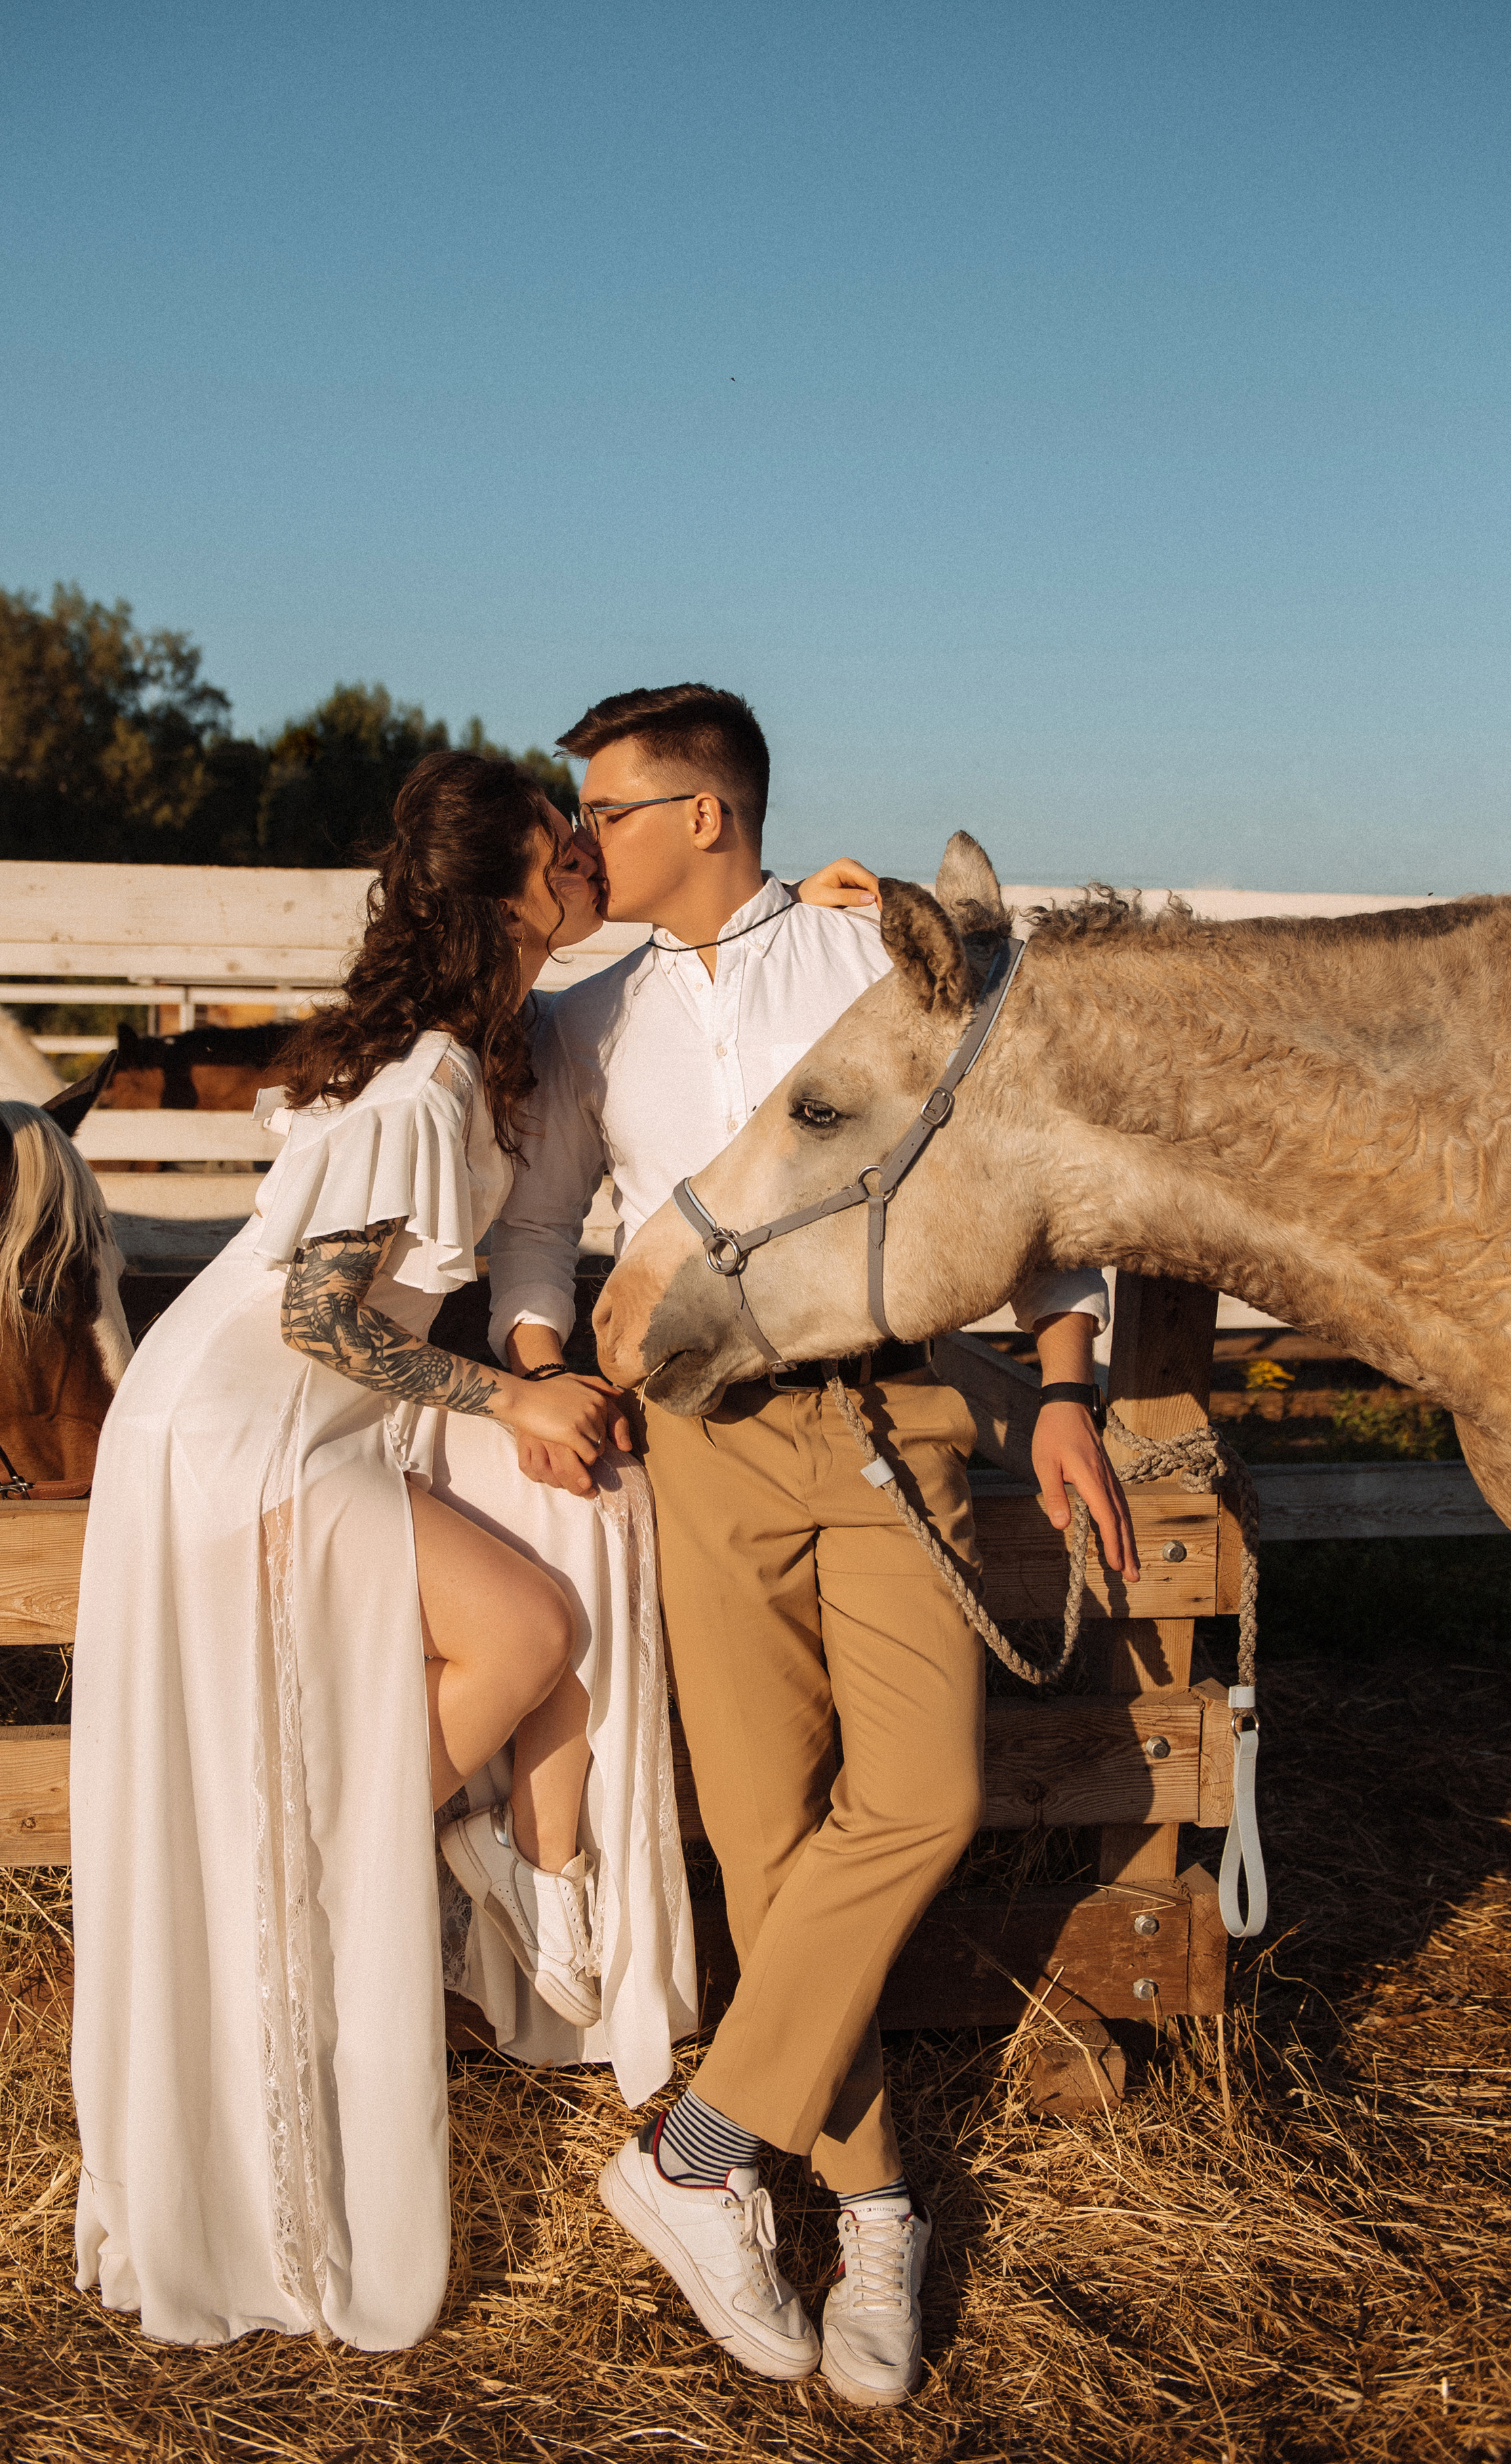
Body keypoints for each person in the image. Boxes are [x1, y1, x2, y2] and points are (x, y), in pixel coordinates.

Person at [486, 684, 1140, 2408]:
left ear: (708, 811)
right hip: (687, 1444)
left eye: (606, 811)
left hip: (886, 1417)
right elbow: (544, 1234)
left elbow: (1025, 1189)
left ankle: (694, 2148)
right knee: (764, 1843)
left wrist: (1061, 1390)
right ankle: (869, 2206)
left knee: (920, 1795)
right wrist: (543, 1369)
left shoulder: (862, 964)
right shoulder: (586, 1017)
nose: (582, 842)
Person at [70, 748, 702, 2352]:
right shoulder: (422, 1087)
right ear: (501, 887)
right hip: (244, 1426)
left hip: (290, 1422)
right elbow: (313, 1315)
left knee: (518, 1627)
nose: (586, 871)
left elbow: (669, 968)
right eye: (563, 851)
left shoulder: (471, 1050)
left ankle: (423, 1851)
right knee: (526, 1633)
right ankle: (426, 1850)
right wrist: (513, 1397)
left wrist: (811, 913)